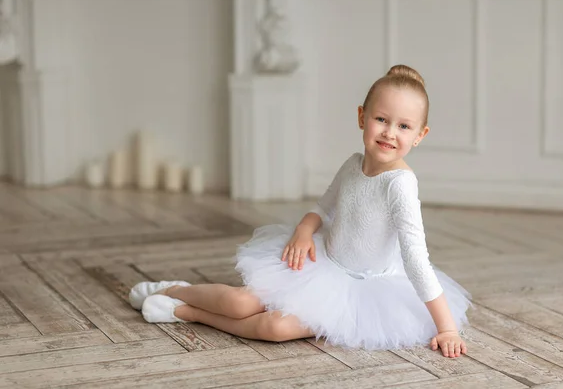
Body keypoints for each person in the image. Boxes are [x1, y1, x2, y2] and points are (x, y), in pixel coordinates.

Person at [129, 65, 472, 358]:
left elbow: (416, 260)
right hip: (323, 263)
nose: (389, 133)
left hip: (365, 290)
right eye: (381, 119)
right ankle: (176, 290)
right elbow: (322, 207)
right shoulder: (353, 165)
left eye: (403, 126)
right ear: (361, 117)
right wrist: (304, 230)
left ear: (420, 135)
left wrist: (448, 329)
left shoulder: (400, 185)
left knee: (275, 327)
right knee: (241, 304)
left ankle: (186, 312)